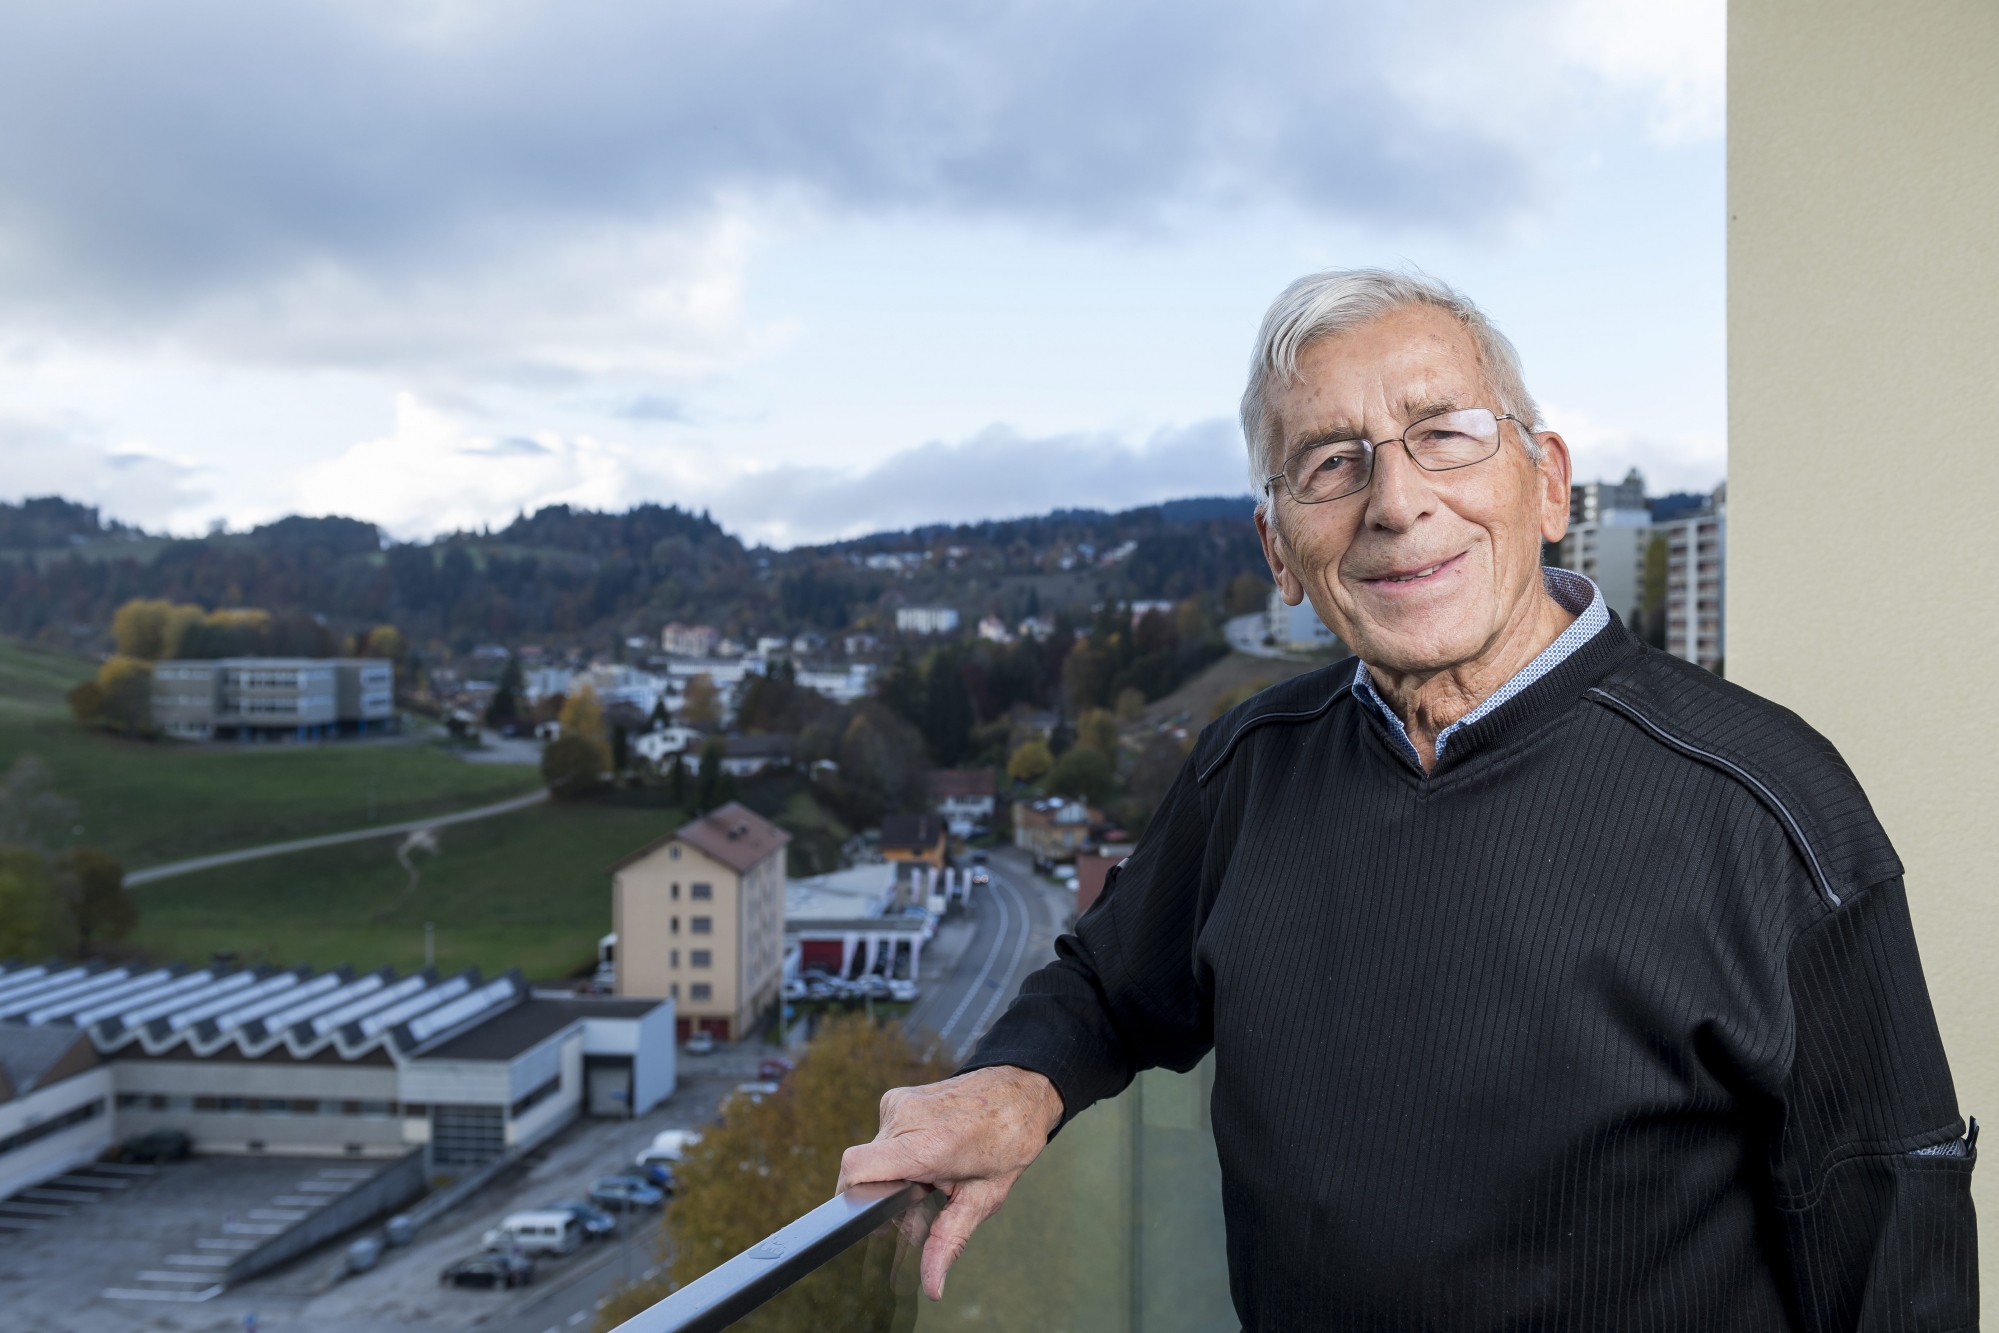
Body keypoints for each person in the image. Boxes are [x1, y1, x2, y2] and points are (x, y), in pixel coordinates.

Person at [839, 270, 1978, 1330]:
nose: (1395, 500)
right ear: (1279, 547)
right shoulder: (1251, 767)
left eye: (1444, 434)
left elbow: (1890, 1224)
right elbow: (1108, 984)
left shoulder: (1765, 802)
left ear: (1545, 483)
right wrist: (1016, 1083)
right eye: (1330, 462)